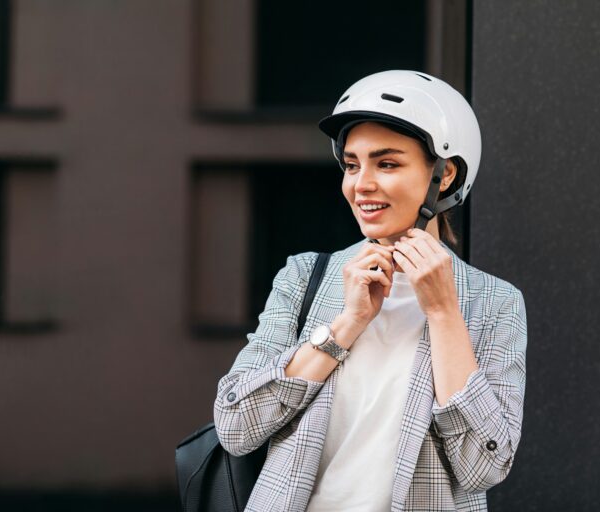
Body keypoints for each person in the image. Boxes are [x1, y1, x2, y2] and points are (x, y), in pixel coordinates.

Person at [213, 70, 527, 512]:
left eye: (387, 163)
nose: (361, 185)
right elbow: (236, 427)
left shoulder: (494, 303)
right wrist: (347, 324)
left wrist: (442, 313)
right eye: (352, 164)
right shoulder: (306, 277)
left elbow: (484, 467)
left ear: (445, 175)